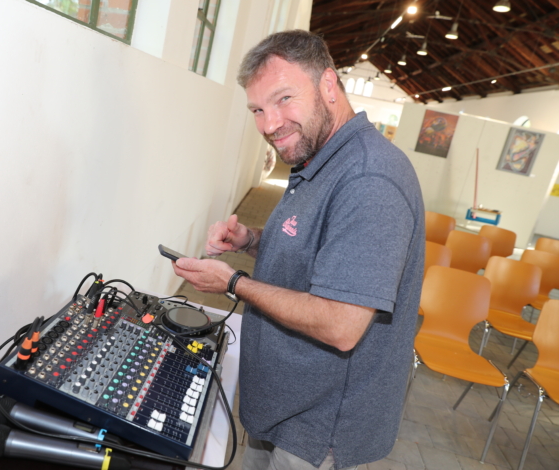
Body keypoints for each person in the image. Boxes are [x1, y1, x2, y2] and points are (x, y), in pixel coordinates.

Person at [172, 30, 425, 470]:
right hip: (281, 407)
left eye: (284, 99)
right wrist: (249, 240)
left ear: (328, 85)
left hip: (317, 430)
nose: (269, 124)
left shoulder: (369, 179)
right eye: (257, 110)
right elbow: (316, 250)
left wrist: (233, 283)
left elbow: (341, 324)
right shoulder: (319, 156)